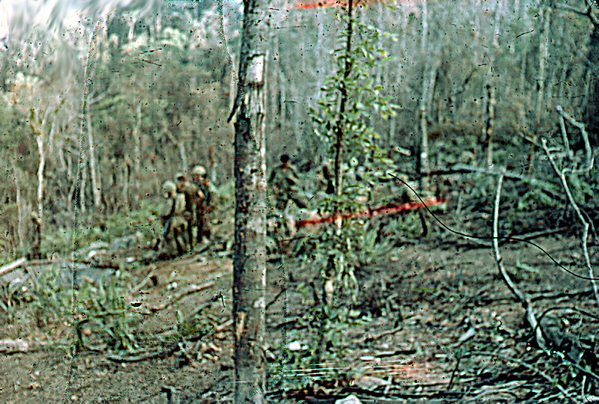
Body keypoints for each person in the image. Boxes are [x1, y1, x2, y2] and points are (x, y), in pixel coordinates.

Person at [160, 181, 187, 256]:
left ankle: (173, 252)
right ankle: (183, 250)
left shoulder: (170, 201)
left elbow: (166, 213)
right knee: (179, 235)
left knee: (169, 237)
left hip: (173, 221)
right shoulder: (181, 197)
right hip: (181, 218)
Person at [175, 173, 202, 249]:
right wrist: (194, 203)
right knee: (193, 227)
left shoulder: (183, 190)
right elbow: (201, 196)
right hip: (194, 209)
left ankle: (188, 246)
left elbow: (181, 202)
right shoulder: (194, 187)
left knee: (186, 229)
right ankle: (194, 244)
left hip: (186, 211)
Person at [191, 165, 213, 244]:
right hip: (202, 208)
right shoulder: (200, 185)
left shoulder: (207, 186)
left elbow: (209, 198)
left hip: (206, 209)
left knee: (205, 224)